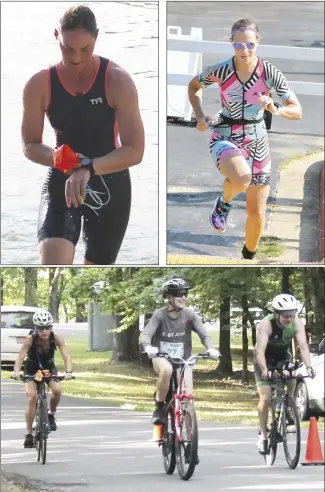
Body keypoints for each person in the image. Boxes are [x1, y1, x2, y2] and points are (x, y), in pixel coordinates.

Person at [21, 5, 144, 265]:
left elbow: (135, 150)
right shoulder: (39, 84)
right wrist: (68, 162)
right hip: (62, 179)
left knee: (95, 272)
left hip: (111, 184)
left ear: (96, 38)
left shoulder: (118, 81)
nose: (76, 58)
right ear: (57, 36)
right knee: (54, 264)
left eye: (85, 50)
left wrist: (88, 167)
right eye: (68, 49)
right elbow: (30, 144)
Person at [188, 18, 302, 260]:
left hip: (258, 142)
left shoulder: (269, 72)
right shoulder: (220, 70)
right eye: (238, 45)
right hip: (225, 134)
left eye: (249, 44)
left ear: (257, 42)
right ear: (231, 44)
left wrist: (275, 108)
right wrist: (199, 115)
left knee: (257, 212)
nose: (244, 50)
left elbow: (297, 110)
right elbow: (193, 86)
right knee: (241, 178)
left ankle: (247, 257)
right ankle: (224, 202)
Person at [141, 277, 220, 425]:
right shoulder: (159, 314)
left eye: (185, 294)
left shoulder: (190, 314)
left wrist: (210, 348)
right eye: (178, 294)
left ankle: (189, 435)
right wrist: (148, 347)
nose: (183, 297)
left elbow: (204, 335)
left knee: (188, 396)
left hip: (183, 359)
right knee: (166, 370)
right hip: (161, 357)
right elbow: (146, 333)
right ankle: (159, 406)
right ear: (170, 297)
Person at [253, 294, 316, 455]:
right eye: (285, 314)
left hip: (282, 357)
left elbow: (302, 346)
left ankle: (289, 405)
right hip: (264, 359)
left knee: (292, 376)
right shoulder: (266, 324)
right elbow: (259, 350)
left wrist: (309, 366)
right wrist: (265, 370)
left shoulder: (297, 323)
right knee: (265, 398)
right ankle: (263, 435)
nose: (288, 318)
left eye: (291, 314)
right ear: (276, 314)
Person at [11, 308, 74, 448]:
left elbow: (66, 356)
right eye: (41, 328)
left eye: (47, 327)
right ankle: (28, 434)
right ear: (36, 328)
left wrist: (68, 371)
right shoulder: (30, 339)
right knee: (31, 397)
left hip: (48, 369)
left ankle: (51, 414)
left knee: (57, 390)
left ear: (51, 327)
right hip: (32, 369)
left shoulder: (56, 338)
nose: (44, 331)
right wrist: (16, 372)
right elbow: (20, 357)